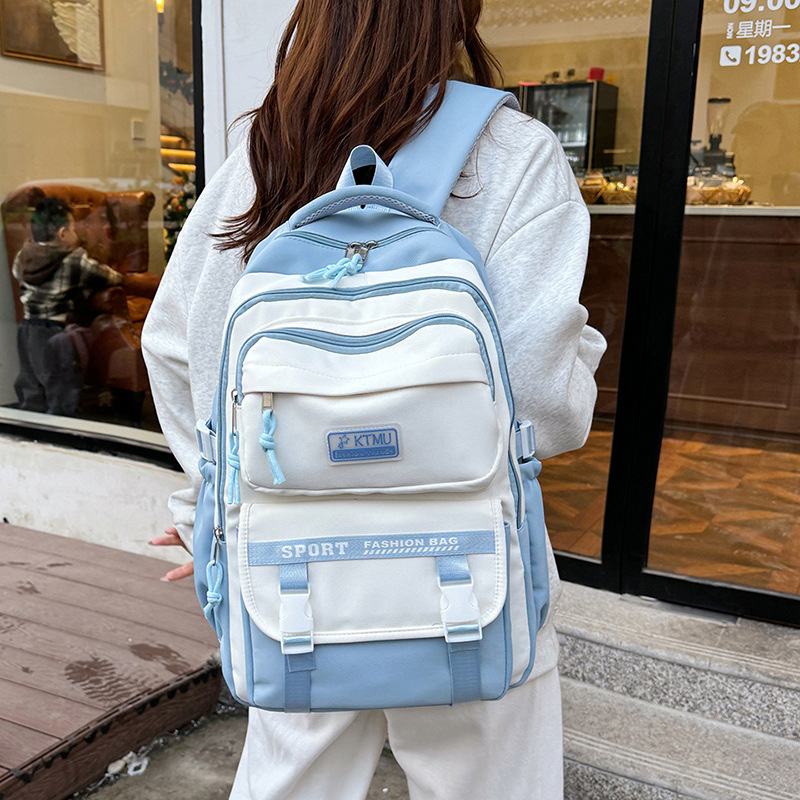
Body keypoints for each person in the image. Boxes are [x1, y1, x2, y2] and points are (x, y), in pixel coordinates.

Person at [142, 1, 606, 797]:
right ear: (454, 17)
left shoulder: (268, 149)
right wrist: (583, 353)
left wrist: (213, 514)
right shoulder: (512, 152)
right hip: (466, 565)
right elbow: (539, 399)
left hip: (288, 565)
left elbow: (183, 349)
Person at [13, 197, 124, 416]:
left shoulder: (22, 258)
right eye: (73, 230)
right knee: (62, 385)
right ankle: (62, 423)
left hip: (26, 329)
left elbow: (18, 275)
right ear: (63, 234)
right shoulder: (74, 260)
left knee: (30, 381)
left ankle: (32, 422)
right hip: (53, 331)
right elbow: (110, 277)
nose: (77, 234)